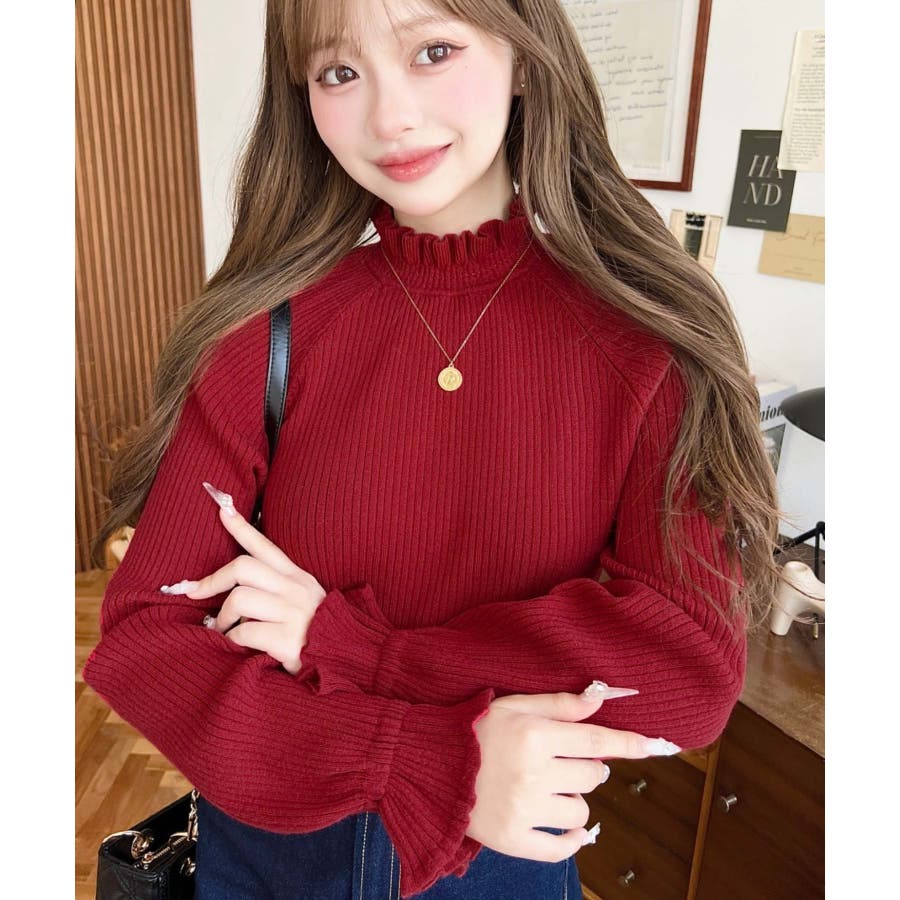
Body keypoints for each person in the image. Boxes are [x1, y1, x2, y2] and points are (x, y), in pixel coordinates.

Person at [83, 0, 787, 897]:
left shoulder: (646, 339)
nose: (391, 117)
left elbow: (686, 671)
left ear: (525, 55)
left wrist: (357, 649)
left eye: (434, 51)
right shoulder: (266, 331)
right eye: (340, 72)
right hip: (268, 859)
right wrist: (411, 757)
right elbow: (146, 643)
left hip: (501, 872)